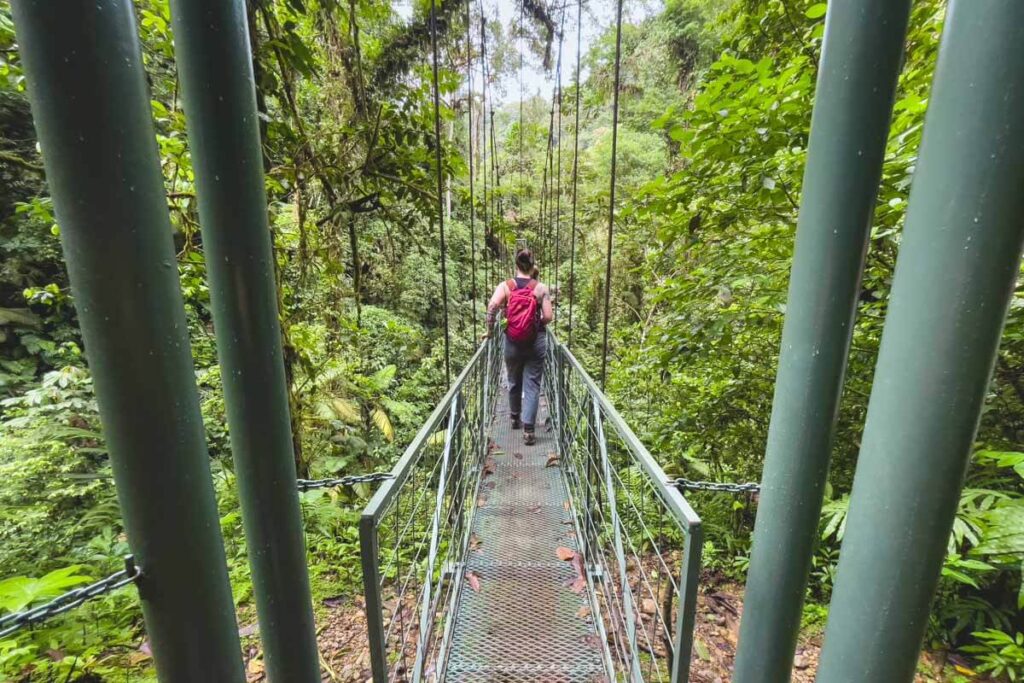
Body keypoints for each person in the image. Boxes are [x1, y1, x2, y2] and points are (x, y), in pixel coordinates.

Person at [484, 249, 553, 445]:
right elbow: (548, 317)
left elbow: (492, 307)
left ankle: (515, 417)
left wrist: (490, 331)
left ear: (516, 266)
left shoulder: (506, 286)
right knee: (532, 383)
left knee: (513, 379)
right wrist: (534, 323)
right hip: (536, 341)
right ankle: (529, 431)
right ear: (533, 266)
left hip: (512, 341)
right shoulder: (541, 288)